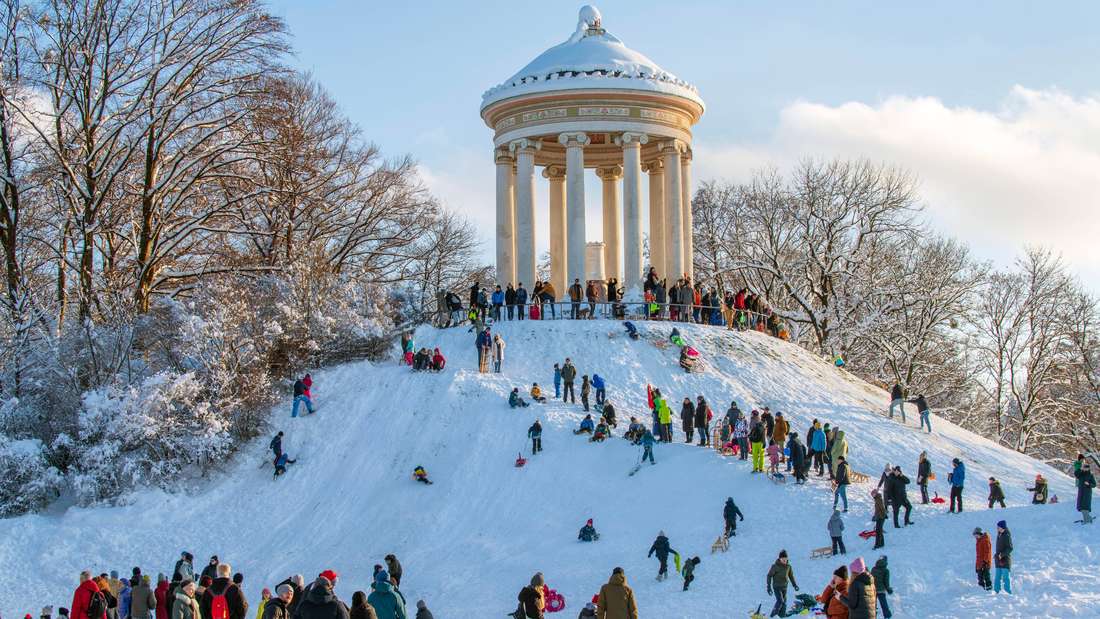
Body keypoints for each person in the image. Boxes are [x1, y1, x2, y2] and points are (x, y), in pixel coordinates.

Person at [766, 550, 799, 618]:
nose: (784, 560)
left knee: (784, 604)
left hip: (784, 587)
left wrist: (794, 585)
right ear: (780, 559)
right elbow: (769, 576)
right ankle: (772, 616)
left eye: (785, 559)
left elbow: (791, 576)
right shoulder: (775, 566)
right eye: (783, 559)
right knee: (780, 601)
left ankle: (782, 616)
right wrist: (768, 587)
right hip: (777, 587)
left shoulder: (788, 566)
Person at [993, 520, 1013, 594]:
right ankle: (996, 591)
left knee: (1005, 577)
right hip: (998, 560)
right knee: (997, 577)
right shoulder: (999, 535)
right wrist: (996, 555)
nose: (997, 528)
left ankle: (1008, 592)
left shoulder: (1007, 535)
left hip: (1005, 560)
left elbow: (1010, 548)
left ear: (1002, 527)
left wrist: (1002, 554)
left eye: (998, 527)